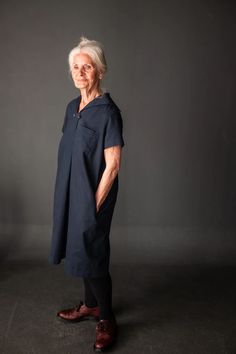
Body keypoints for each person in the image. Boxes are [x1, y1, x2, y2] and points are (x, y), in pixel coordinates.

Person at [48, 36, 125, 352]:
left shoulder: (108, 112)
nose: (80, 73)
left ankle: (106, 318)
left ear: (100, 71)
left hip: (94, 196)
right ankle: (90, 305)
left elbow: (113, 165)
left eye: (87, 67)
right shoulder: (71, 108)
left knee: (92, 253)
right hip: (70, 192)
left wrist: (92, 205)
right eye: (75, 68)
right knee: (78, 248)